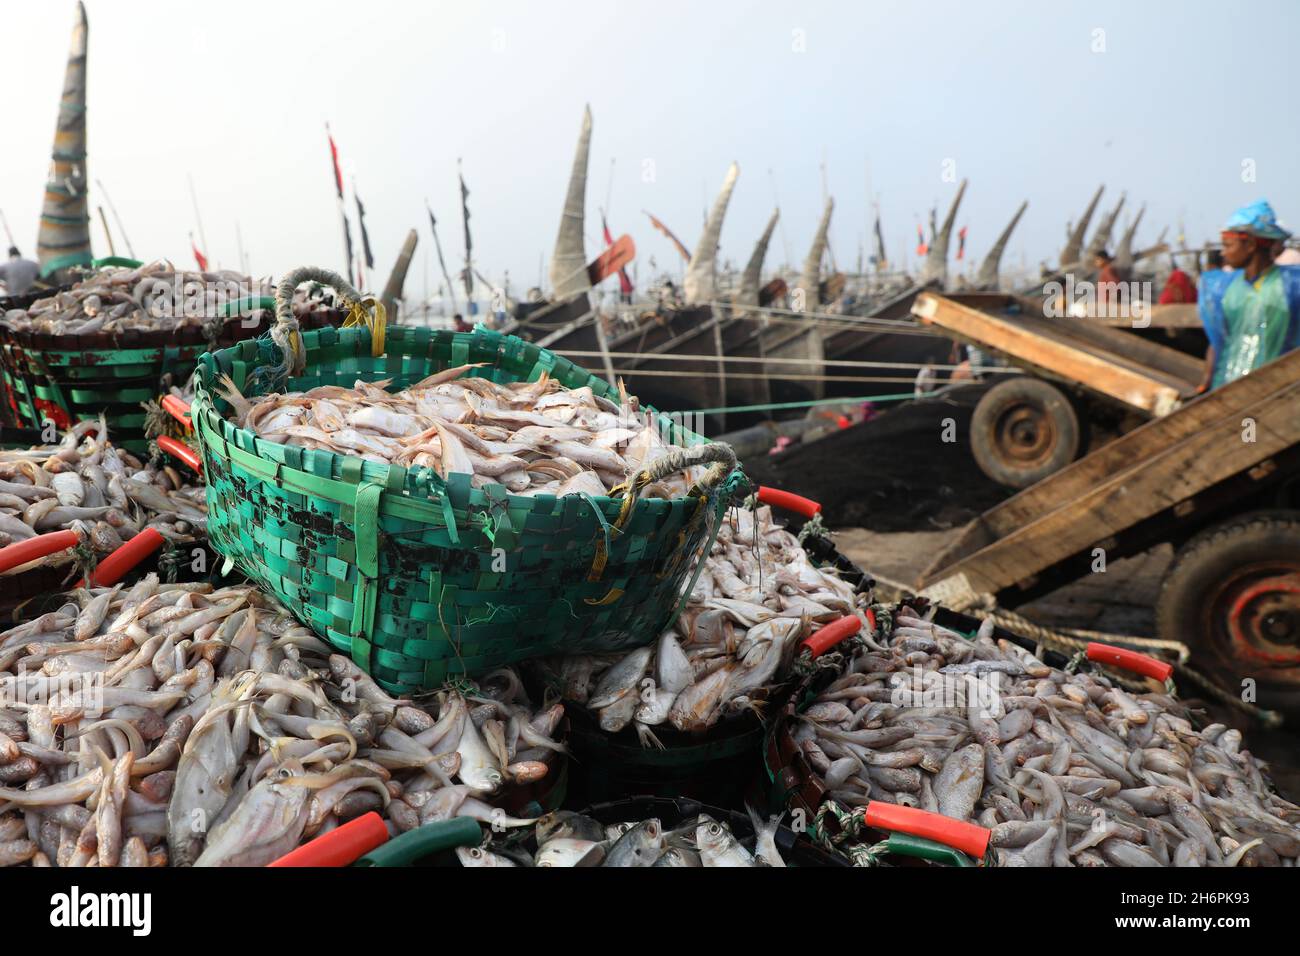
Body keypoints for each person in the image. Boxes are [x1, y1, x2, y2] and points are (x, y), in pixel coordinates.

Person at [1196, 200, 1300, 392]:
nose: (1224, 253)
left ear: (1251, 244)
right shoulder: (1222, 288)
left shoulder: (1291, 286)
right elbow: (1218, 341)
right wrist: (1207, 381)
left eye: (1228, 245)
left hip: (1278, 392)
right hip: (1227, 390)